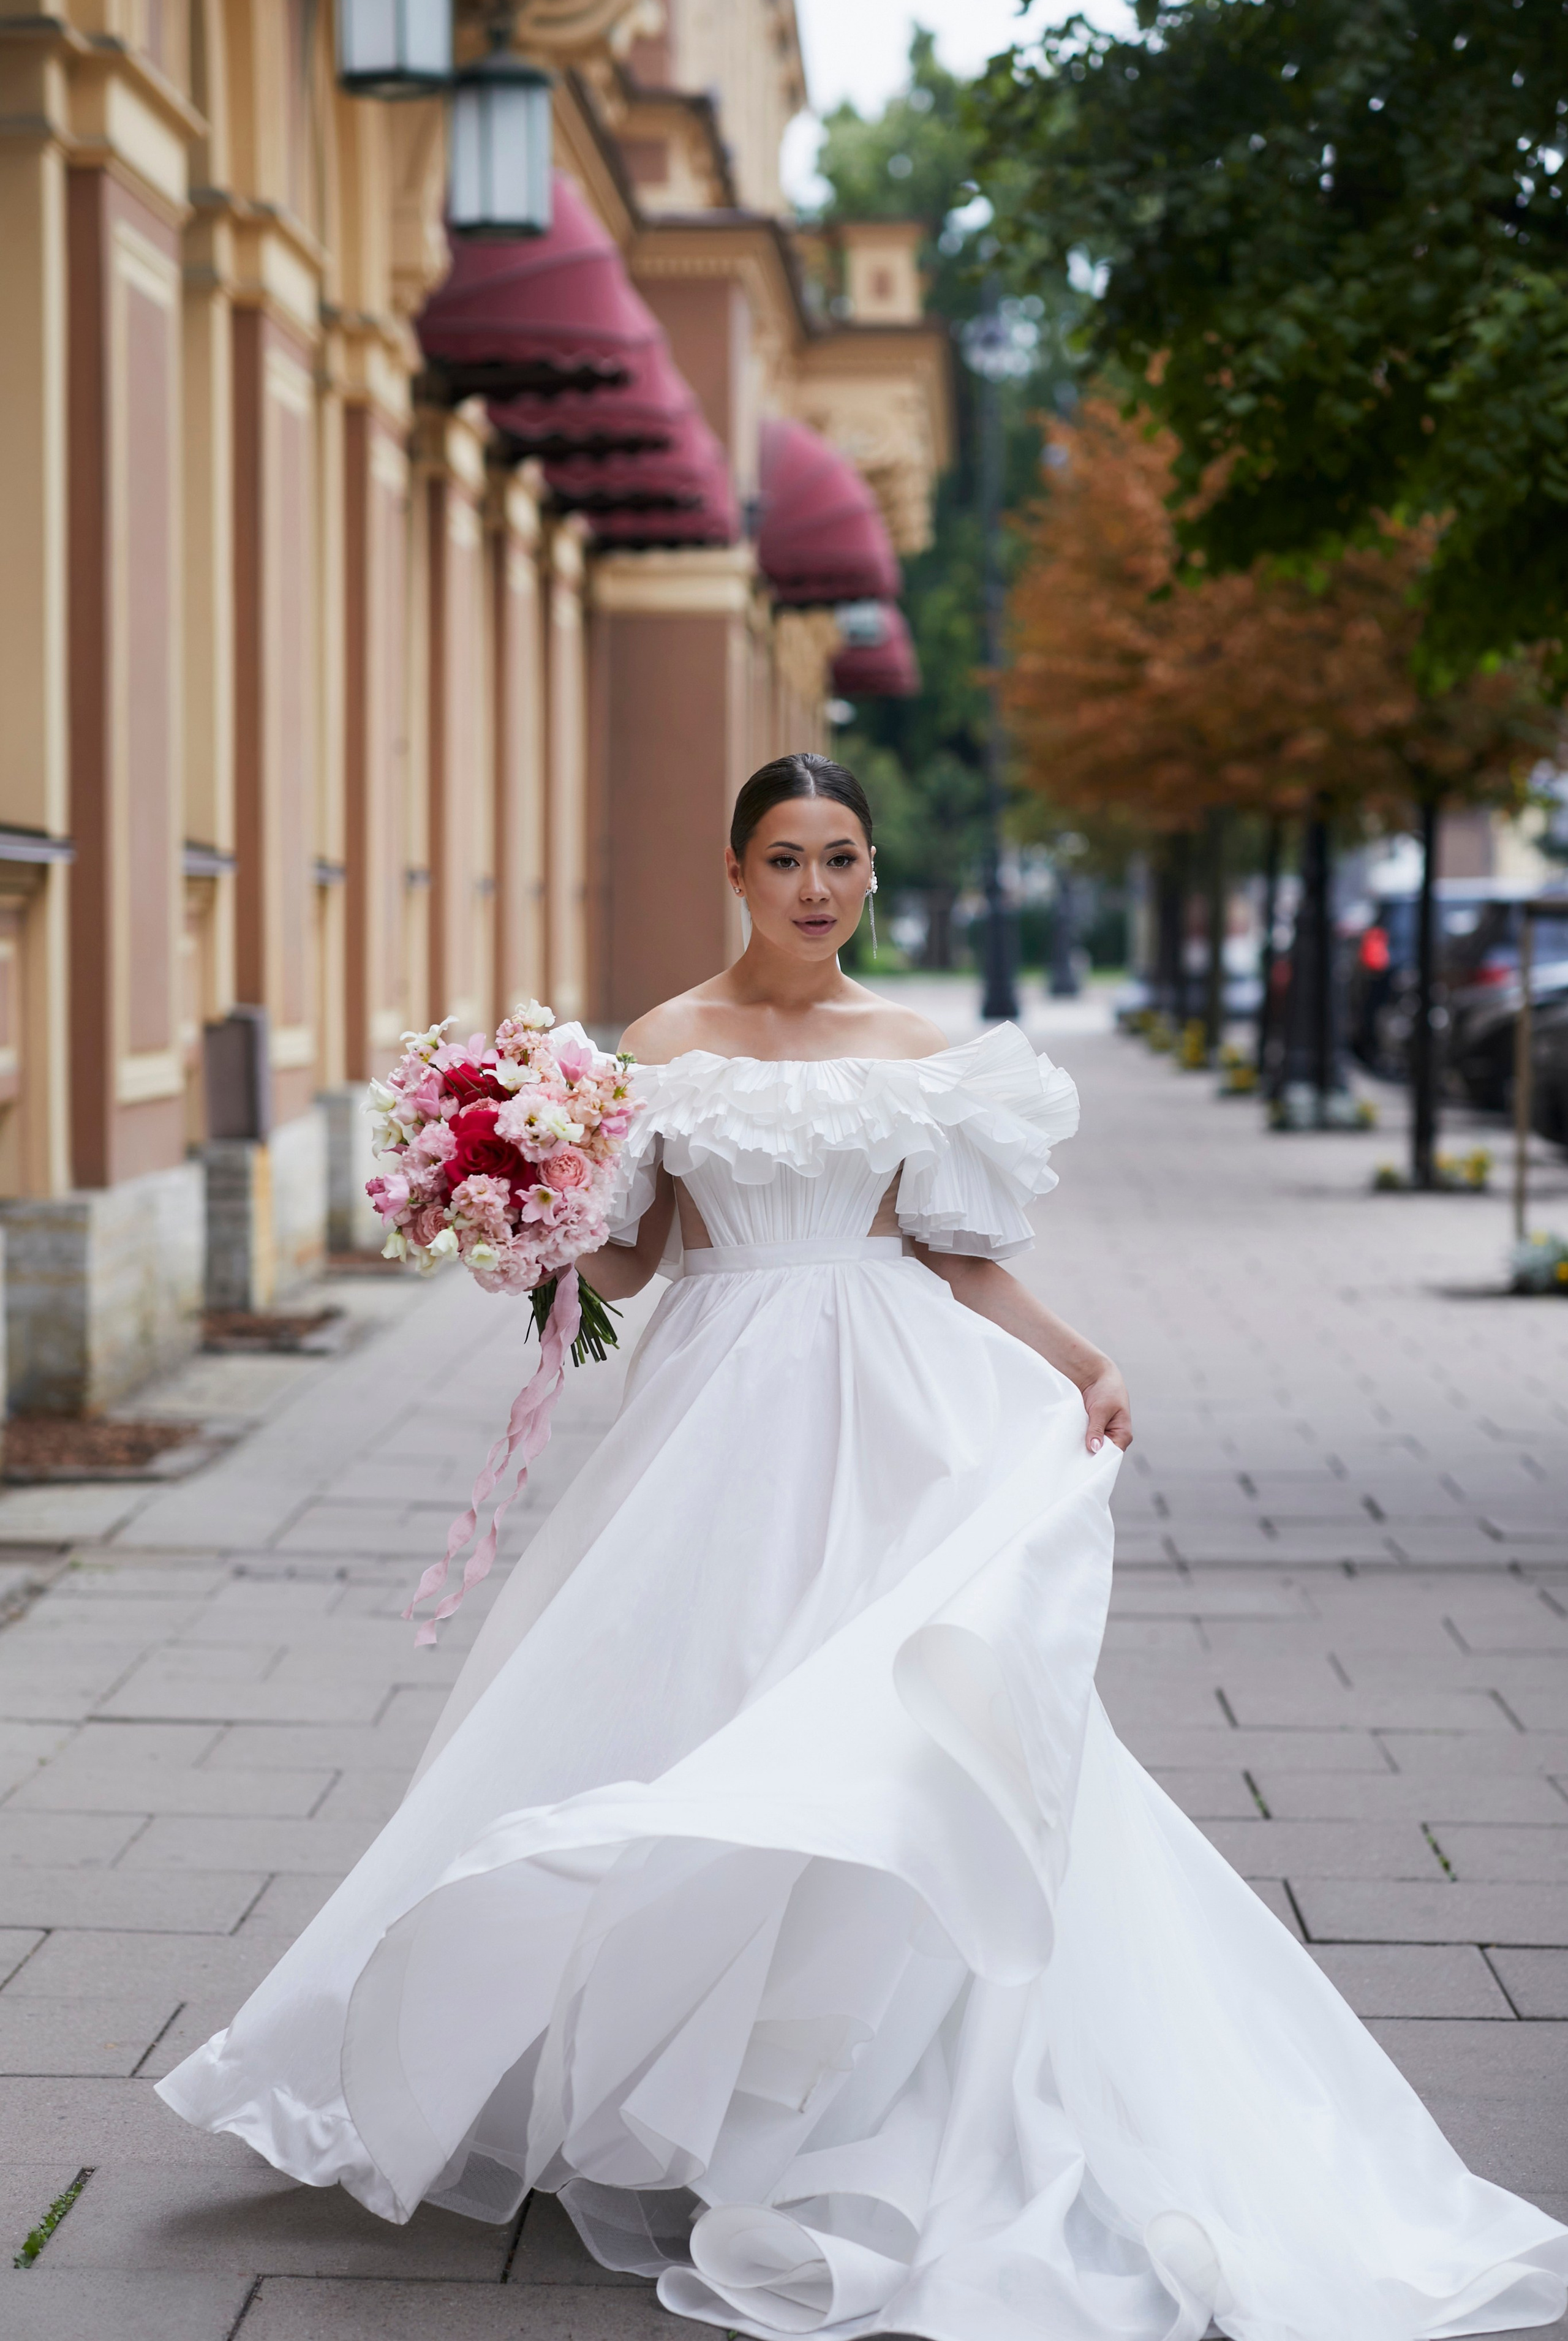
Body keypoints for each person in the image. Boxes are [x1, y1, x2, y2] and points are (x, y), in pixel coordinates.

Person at [158, 754, 1566, 2341]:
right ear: (736, 870)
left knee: (882, 1730)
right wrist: (521, 1212)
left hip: (889, 1412)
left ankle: (836, 2091)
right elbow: (636, 1248)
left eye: (840, 858)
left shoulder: (918, 1054)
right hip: (713, 1426)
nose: (814, 887)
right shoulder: (660, 1046)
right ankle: (685, 2073)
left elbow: (961, 1264)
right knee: (700, 1710)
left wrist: (1083, 1360)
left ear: (874, 874)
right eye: (784, 857)